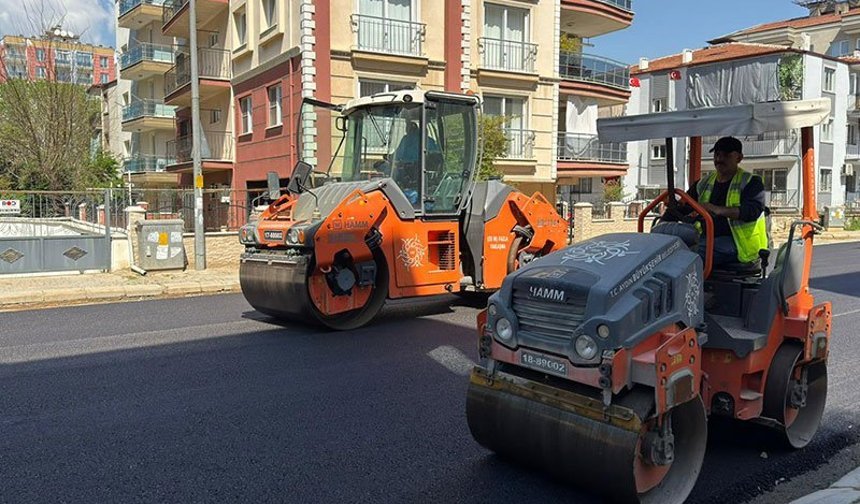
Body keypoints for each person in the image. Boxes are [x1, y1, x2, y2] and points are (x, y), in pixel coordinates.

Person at [685, 136, 768, 266]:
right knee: (674, 247)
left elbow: (752, 211)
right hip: (707, 238)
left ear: (739, 158)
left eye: (726, 155)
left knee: (694, 253)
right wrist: (670, 211)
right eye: (717, 155)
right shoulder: (704, 183)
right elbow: (686, 204)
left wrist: (717, 209)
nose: (719, 159)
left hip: (740, 244)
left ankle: (687, 285)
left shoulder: (751, 182)